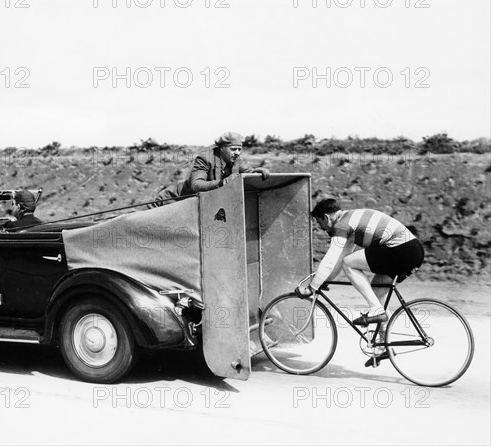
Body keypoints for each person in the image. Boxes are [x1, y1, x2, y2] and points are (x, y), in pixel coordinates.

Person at [298, 198, 424, 366]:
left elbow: (332, 260)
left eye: (320, 223)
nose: (322, 229)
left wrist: (312, 287)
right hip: (412, 250)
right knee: (374, 292)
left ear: (327, 218)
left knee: (350, 264)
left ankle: (376, 310)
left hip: (402, 251)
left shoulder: (341, 226)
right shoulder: (351, 220)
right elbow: (339, 258)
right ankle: (383, 345)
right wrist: (325, 280)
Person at [151, 132, 271, 207]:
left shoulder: (235, 159)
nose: (237, 153)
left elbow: (246, 172)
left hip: (195, 205)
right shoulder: (205, 158)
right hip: (172, 201)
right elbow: (196, 185)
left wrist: (256, 172)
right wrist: (223, 182)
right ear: (222, 148)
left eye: (239, 149)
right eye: (233, 149)